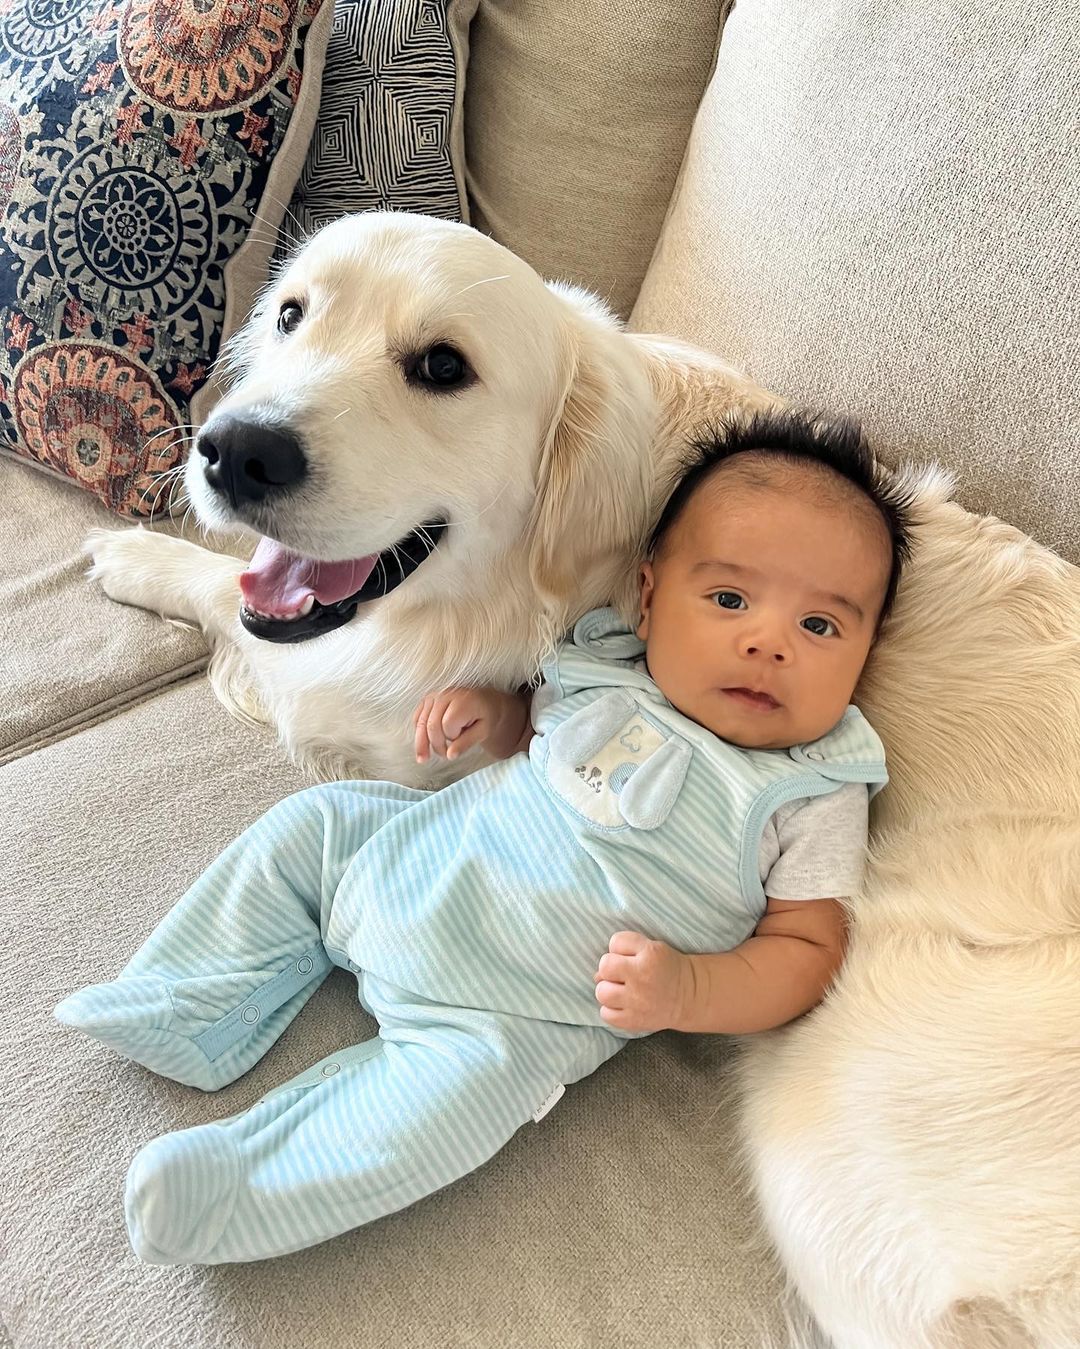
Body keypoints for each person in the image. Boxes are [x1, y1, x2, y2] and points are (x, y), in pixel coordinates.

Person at [55, 409, 914, 1266]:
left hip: (503, 1016)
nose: (768, 644)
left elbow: (807, 947)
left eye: (822, 627)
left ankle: (234, 1188)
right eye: (729, 599)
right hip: (412, 861)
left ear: (867, 649)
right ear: (650, 599)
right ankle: (187, 1000)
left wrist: (690, 992)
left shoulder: (814, 786)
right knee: (313, 825)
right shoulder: (605, 661)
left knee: (439, 1119)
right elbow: (535, 732)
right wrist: (493, 715)